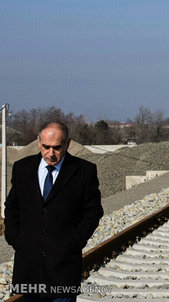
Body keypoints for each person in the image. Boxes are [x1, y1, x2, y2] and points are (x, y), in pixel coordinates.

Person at [4, 121, 104, 301]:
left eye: (57, 148)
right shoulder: (22, 169)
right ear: (38, 142)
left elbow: (93, 211)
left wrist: (75, 241)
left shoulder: (84, 171)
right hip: (29, 265)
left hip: (64, 268)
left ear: (68, 143)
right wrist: (15, 238)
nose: (51, 153)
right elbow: (12, 206)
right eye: (46, 147)